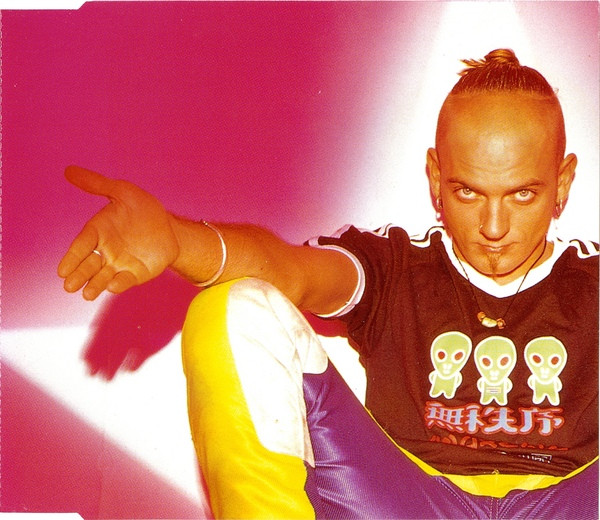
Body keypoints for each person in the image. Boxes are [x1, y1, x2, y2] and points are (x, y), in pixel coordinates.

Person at [59, 49, 598, 519]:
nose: (494, 227)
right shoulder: (395, 264)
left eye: (522, 195)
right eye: (468, 192)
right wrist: (177, 240)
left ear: (563, 182)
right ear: (436, 178)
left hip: (572, 503)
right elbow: (288, 269)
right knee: (232, 306)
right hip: (401, 503)